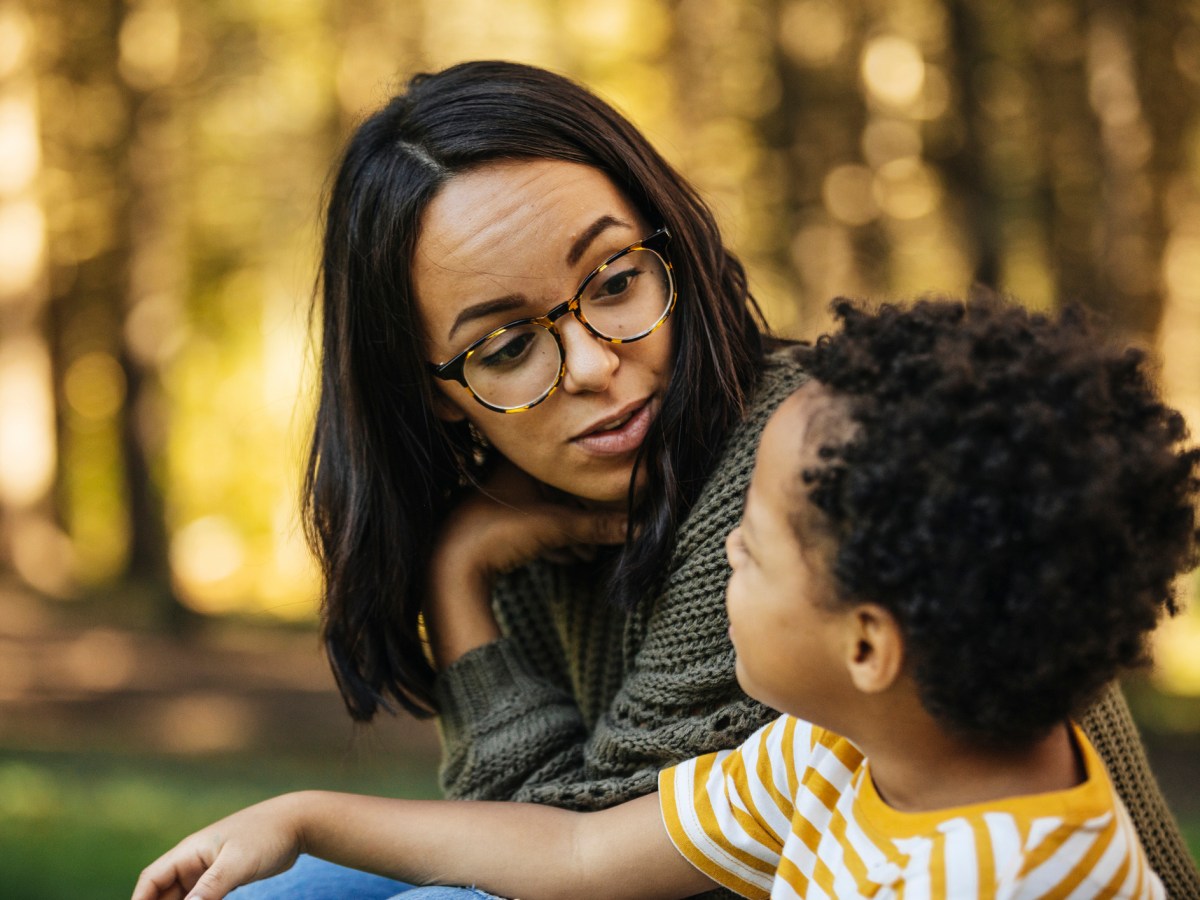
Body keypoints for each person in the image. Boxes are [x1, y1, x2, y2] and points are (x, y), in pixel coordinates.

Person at [221, 59, 1197, 898]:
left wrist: (457, 576)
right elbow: (573, 852)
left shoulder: (802, 477)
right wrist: (307, 811)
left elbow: (552, 876)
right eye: (510, 344)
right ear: (432, 392)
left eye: (613, 283)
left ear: (668, 249)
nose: (597, 365)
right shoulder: (817, 755)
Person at [132, 297, 1198, 900]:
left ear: (869, 643)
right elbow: (581, 851)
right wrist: (303, 815)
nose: (720, 545)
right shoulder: (839, 750)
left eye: (753, 545)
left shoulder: (998, 879)